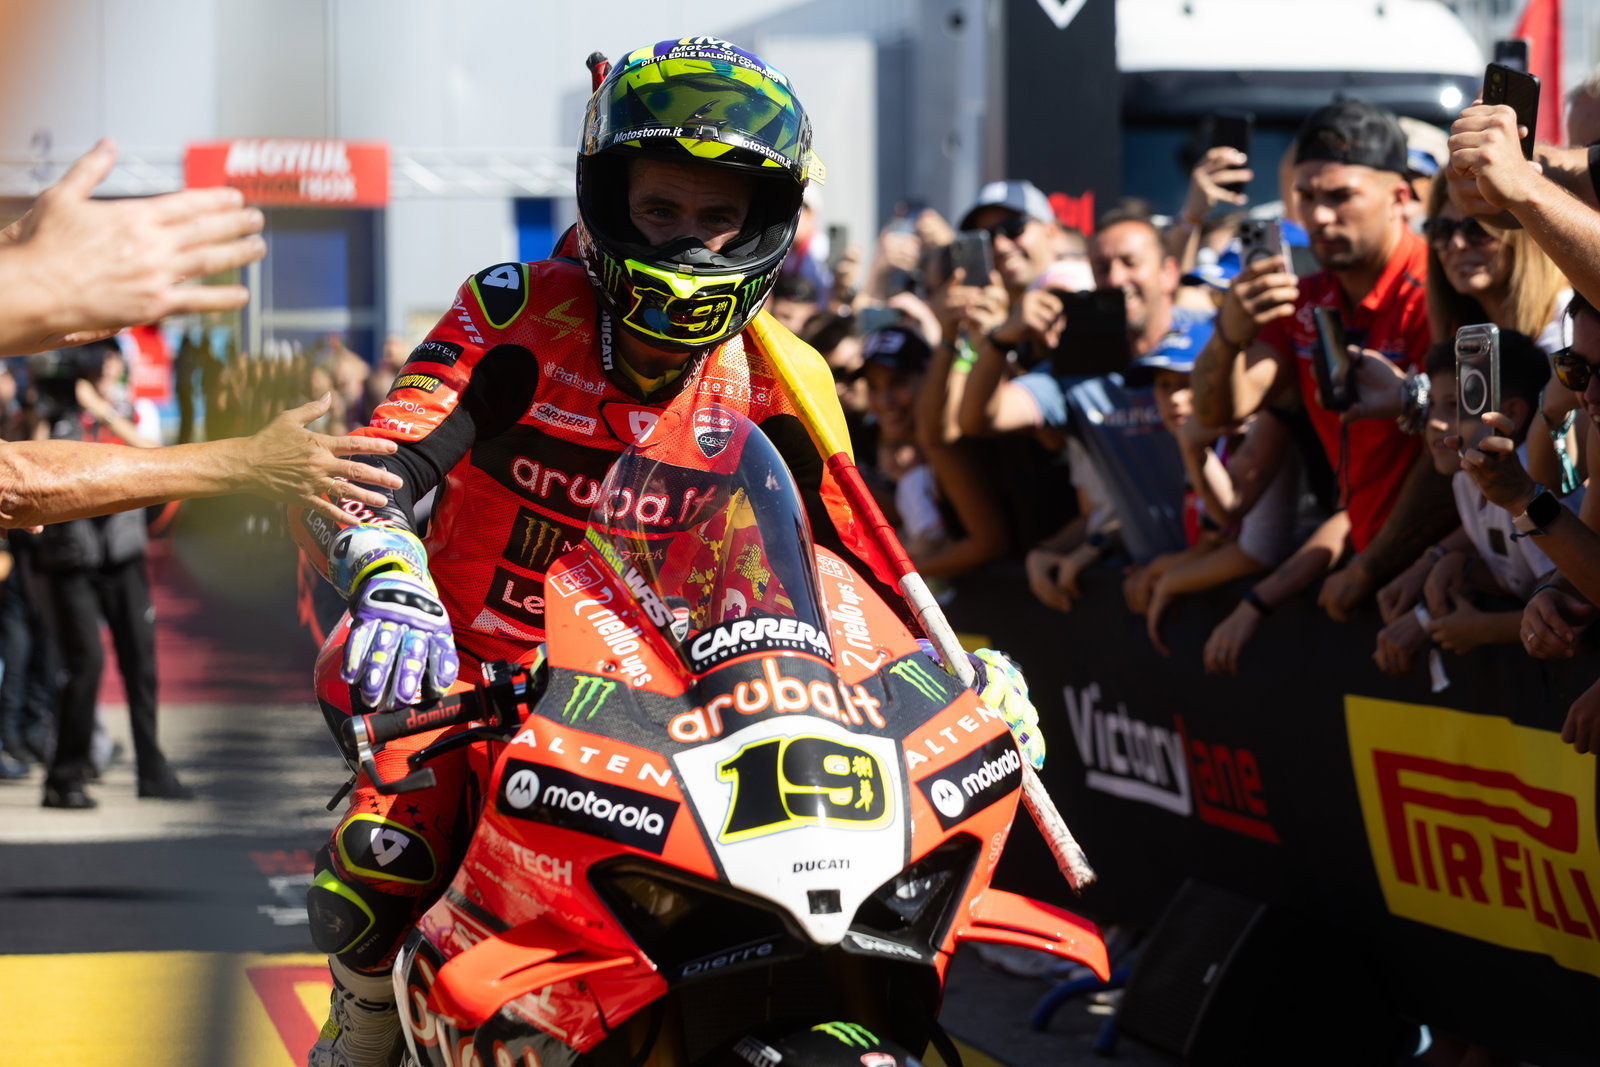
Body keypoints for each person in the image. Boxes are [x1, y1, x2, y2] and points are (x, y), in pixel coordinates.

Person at [291, 40, 1040, 1067]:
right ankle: (363, 1033)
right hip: (466, 673)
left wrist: (964, 681)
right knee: (377, 865)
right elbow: (368, 468)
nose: (688, 243)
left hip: (671, 709)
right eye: (661, 212)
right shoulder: (516, 312)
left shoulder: (787, 377)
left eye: (715, 218)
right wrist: (390, 577)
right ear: (610, 201)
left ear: (765, 226)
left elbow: (853, 575)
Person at [1192, 98, 1453, 630]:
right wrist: (1228, 337)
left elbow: (1450, 455)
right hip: (1365, 567)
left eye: (1340, 196)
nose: (1318, 216)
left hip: (1435, 575)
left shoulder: (1440, 291)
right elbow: (1219, 411)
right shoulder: (1305, 299)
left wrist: (1371, 566)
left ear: (1399, 197)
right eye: (1306, 197)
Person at [960, 211, 1201, 610]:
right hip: (1145, 586)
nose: (1116, 278)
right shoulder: (1076, 369)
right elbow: (980, 419)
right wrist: (1002, 339)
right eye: (1102, 268)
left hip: (1228, 575)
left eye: (1130, 263)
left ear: (1168, 273)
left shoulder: (1208, 340)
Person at [30, 343, 186, 808]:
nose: (110, 366)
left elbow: (153, 456)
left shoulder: (132, 410)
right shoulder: (55, 414)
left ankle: (152, 771)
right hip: (72, 559)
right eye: (103, 359)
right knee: (86, 666)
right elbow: (32, 462)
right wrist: (52, 412)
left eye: (112, 359)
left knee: (141, 663)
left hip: (122, 555)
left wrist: (100, 411)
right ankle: (64, 776)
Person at [1372, 333, 1576, 677]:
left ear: (1511, 413)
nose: (1434, 422)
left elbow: (1571, 611)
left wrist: (1481, 629)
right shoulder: (1464, 480)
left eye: (1455, 405)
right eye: (1431, 404)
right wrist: (1457, 565)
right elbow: (1515, 578)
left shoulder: (1528, 485)